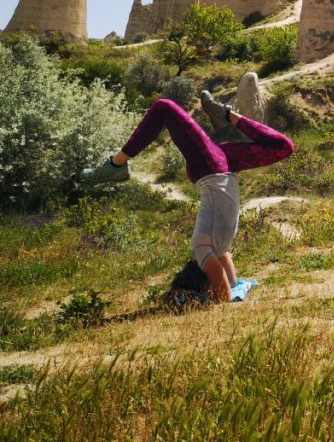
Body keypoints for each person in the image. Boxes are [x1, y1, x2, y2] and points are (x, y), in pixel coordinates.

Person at [82, 91, 295, 302]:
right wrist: (220, 294)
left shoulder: (214, 248)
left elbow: (226, 288)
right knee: (283, 147)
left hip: (216, 169)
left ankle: (117, 164)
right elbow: (226, 292)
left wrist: (216, 292)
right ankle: (227, 116)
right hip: (216, 167)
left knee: (282, 147)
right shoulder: (206, 248)